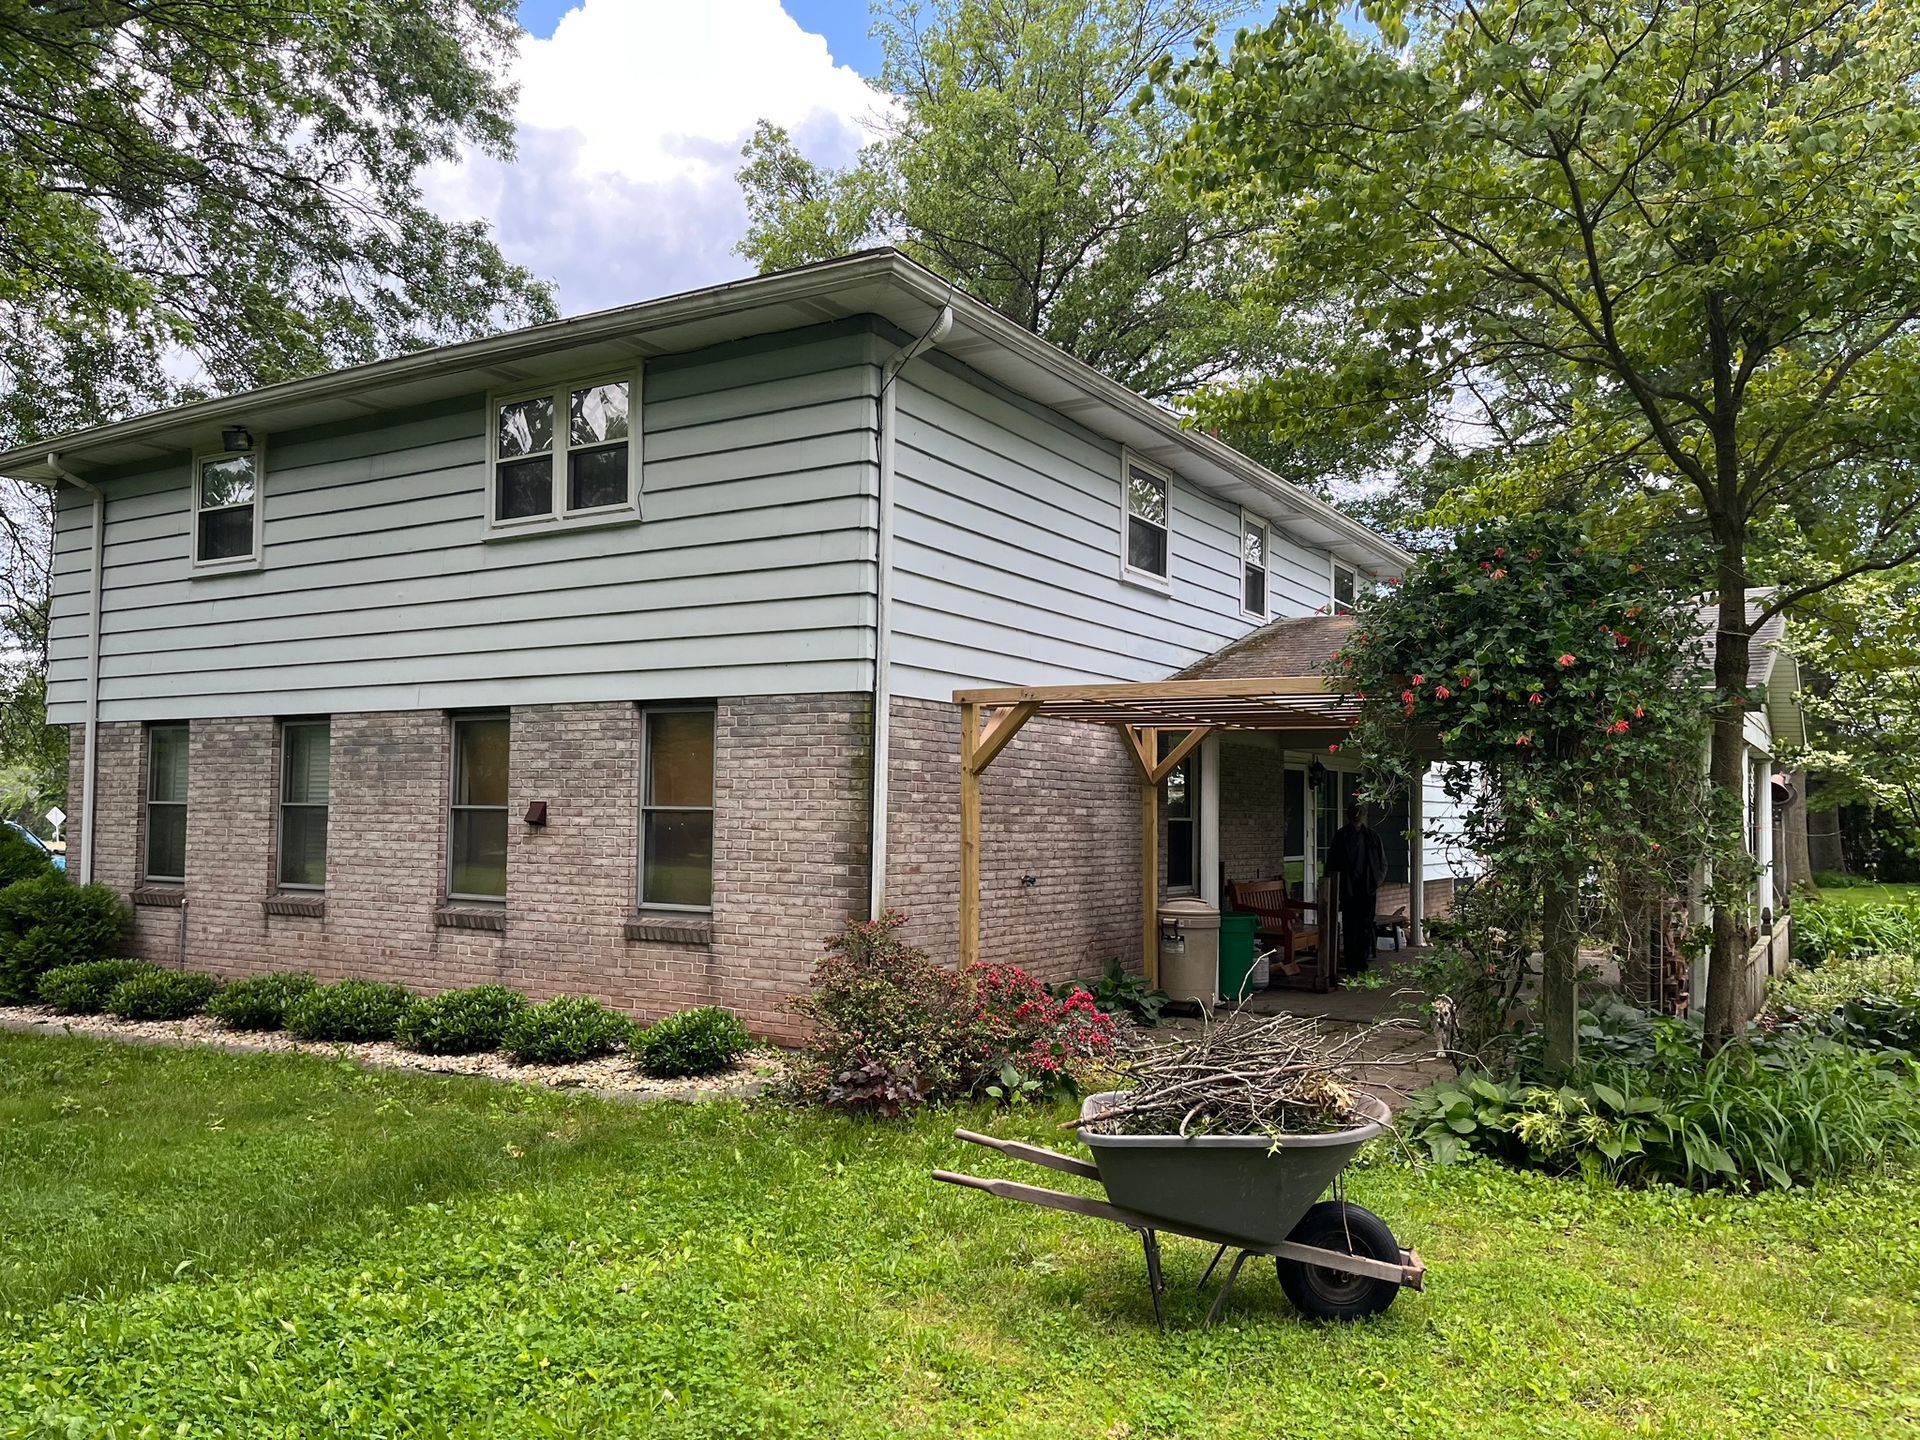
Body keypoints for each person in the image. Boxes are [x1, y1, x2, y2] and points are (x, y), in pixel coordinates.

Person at [1324, 800, 1386, 974]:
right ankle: (1351, 965)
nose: (1357, 815)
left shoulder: (1372, 837)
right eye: (1354, 812)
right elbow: (1331, 864)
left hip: (1367, 889)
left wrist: (1376, 882)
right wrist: (1332, 886)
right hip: (1348, 890)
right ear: (1349, 815)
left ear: (1364, 815)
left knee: (1365, 927)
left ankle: (1362, 963)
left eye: (1360, 812)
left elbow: (1382, 863)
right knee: (1350, 927)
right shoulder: (1341, 836)